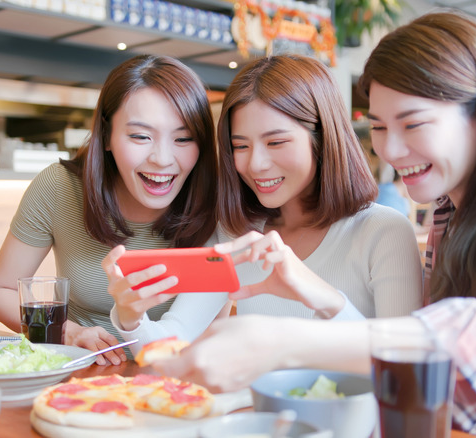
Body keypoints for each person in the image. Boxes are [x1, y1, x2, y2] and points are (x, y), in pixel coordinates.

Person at [155, 11, 476, 438]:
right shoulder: (451, 212)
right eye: (379, 127)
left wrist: (282, 342)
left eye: (413, 124)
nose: (391, 151)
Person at [104, 54, 422, 354]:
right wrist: (131, 317)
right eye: (240, 145)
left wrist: (326, 300)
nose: (255, 164)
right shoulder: (236, 234)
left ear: (323, 138)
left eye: (276, 142)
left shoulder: (384, 232)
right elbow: (170, 341)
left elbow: (404, 363)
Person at [0, 55, 218, 366]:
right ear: (106, 136)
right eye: (140, 136)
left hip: (172, 378)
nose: (162, 158)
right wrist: (68, 333)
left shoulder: (216, 208)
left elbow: (185, 334)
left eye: (184, 138)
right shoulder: (60, 186)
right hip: (80, 370)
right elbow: (0, 291)